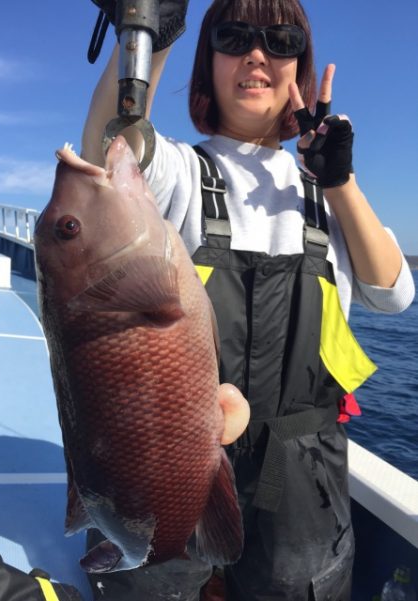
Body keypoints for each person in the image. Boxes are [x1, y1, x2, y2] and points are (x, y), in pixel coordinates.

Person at [81, 1, 415, 600]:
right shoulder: (181, 172)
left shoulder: (323, 195)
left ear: (300, 70)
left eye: (280, 41)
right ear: (207, 64)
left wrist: (339, 181)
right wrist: (151, 35)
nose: (257, 54)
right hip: (175, 459)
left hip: (304, 481)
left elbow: (393, 294)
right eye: (233, 38)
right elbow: (111, 150)